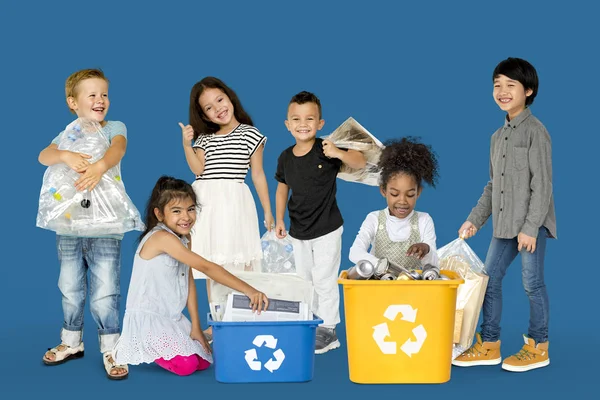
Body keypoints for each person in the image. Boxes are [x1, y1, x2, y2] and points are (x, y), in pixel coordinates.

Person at [453, 57, 556, 373]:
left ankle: (538, 347)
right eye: (497, 85)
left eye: (510, 85)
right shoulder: (497, 137)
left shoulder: (535, 132)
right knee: (488, 279)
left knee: (531, 283)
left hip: (529, 225)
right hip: (504, 224)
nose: (502, 91)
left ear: (529, 90)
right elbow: (492, 186)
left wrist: (530, 226)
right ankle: (490, 344)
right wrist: (474, 219)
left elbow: (543, 185)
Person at [113, 176, 269, 376]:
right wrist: (249, 289)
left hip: (172, 318)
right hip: (149, 319)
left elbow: (189, 280)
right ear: (159, 214)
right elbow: (206, 267)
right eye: (176, 211)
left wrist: (196, 326)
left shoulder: (185, 238)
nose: (186, 217)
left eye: (191, 209)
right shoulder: (161, 238)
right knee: (187, 367)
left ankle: (179, 341)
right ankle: (150, 348)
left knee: (204, 362)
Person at [38, 68, 131, 380]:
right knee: (70, 286)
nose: (100, 100)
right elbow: (43, 155)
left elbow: (118, 148)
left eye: (104, 94)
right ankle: (71, 342)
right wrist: (64, 155)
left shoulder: (113, 127)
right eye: (91, 95)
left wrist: (100, 167)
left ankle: (111, 346)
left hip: (105, 224)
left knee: (105, 288)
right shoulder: (67, 135)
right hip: (70, 225)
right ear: (72, 103)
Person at [179, 76, 274, 340]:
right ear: (204, 115)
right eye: (209, 107)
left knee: (237, 260)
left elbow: (257, 175)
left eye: (219, 100)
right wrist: (187, 144)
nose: (217, 108)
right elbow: (198, 170)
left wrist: (268, 211)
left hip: (233, 203)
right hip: (206, 204)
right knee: (212, 263)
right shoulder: (205, 139)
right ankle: (218, 322)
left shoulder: (250, 134)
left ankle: (243, 319)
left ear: (230, 97)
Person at [275, 91, 366, 354]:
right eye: (296, 119)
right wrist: (279, 218)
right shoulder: (285, 157)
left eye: (310, 119)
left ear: (320, 124)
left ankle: (329, 329)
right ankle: (311, 322)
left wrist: (338, 152)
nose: (303, 124)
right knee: (304, 279)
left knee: (324, 279)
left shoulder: (326, 148)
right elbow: (282, 188)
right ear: (287, 124)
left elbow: (359, 163)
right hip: (298, 230)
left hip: (327, 228)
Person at [349, 137, 440, 271]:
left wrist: (426, 249)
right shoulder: (374, 219)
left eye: (410, 195)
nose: (402, 201)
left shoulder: (424, 220)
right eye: (394, 194)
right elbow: (355, 252)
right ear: (383, 190)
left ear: (418, 192)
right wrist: (385, 266)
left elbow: (433, 265)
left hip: (414, 290)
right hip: (379, 289)